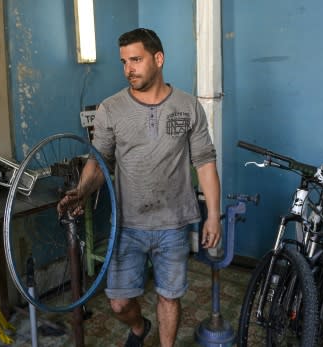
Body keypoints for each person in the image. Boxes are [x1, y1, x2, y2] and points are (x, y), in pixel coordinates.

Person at [58, 28, 221, 347]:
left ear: (158, 59)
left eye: (136, 59)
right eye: (123, 62)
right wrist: (82, 190)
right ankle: (138, 328)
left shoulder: (187, 107)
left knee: (169, 297)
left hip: (173, 223)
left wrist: (212, 215)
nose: (128, 68)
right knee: (119, 303)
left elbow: (205, 162)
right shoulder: (111, 109)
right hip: (127, 224)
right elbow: (99, 160)